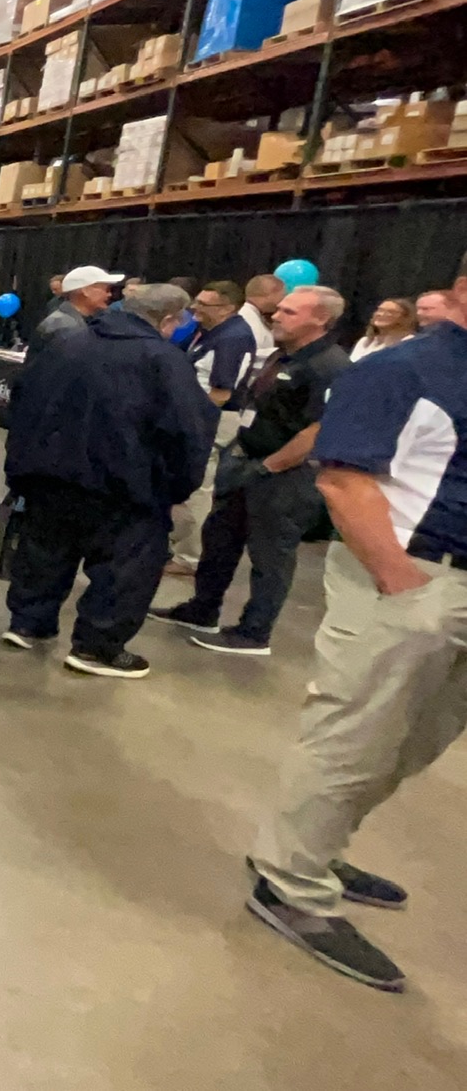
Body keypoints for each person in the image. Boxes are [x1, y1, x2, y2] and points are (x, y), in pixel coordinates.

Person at [244, 256, 467, 993]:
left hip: (444, 584)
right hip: (409, 575)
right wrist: (402, 585)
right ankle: (290, 884)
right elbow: (343, 478)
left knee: (414, 740)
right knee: (354, 736)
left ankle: (315, 848)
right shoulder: (405, 369)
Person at [0, 283, 216, 679]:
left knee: (45, 552)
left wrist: (21, 466)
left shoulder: (66, 342)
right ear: (169, 320)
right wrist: (178, 485)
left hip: (50, 475)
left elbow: (22, 401)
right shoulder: (164, 360)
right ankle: (97, 648)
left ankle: (28, 623)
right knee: (123, 568)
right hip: (126, 486)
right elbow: (187, 430)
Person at [153, 286, 349, 655]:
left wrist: (270, 466)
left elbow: (318, 430)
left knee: (270, 556)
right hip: (246, 461)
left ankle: (254, 632)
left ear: (321, 319)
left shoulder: (329, 366)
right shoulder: (283, 353)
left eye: (289, 312)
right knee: (220, 542)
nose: (276, 316)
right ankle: (202, 609)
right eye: (279, 309)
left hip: (283, 475)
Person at [169, 281, 258, 571]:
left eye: (204, 304)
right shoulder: (210, 331)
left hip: (211, 420)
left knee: (199, 487)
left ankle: (189, 556)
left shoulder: (233, 338)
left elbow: (221, 392)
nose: (195, 308)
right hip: (199, 416)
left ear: (227, 308)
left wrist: (191, 422)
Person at [34, 264, 119, 346]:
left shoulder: (73, 322)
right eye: (107, 290)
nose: (109, 294)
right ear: (86, 291)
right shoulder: (66, 327)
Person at [351, 298, 417, 360]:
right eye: (380, 310)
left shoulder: (408, 341)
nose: (381, 314)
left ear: (404, 318)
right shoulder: (364, 341)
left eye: (391, 312)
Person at [241, 274, 285, 359]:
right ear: (272, 293)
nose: (282, 300)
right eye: (282, 295)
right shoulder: (248, 321)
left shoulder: (252, 317)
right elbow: (247, 356)